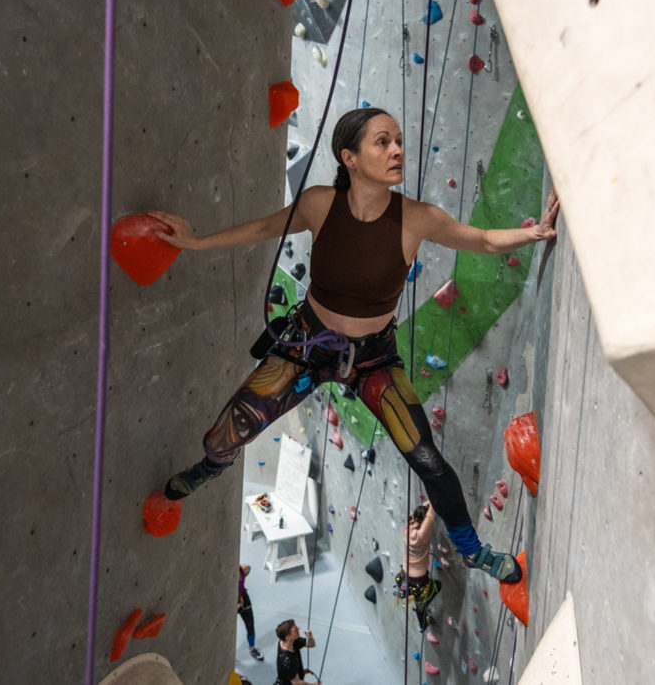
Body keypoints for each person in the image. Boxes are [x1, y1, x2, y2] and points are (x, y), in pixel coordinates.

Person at [153, 107, 559, 583]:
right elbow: (266, 228)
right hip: (306, 344)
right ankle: (212, 465)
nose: (397, 150)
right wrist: (196, 243)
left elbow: (483, 240)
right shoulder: (320, 204)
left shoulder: (418, 218)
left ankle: (473, 551)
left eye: (399, 141)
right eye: (383, 142)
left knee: (428, 458)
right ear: (349, 157)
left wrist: (531, 233)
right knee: (230, 427)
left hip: (372, 359)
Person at [395, 503, 440, 630]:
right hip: (418, 578)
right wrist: (432, 500)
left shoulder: (407, 529)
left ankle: (423, 623)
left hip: (405, 574)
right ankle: (422, 606)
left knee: (418, 598)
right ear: (424, 521)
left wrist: (425, 504)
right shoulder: (421, 535)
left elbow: (417, 514)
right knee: (436, 587)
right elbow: (432, 513)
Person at [275, 619, 319, 685]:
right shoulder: (288, 659)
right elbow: (296, 683)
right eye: (295, 630)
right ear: (288, 637)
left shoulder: (288, 641)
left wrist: (310, 637)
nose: (299, 628)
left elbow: (311, 644)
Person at [238, 564, 263, 661]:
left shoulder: (243, 569)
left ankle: (252, 649)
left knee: (250, 625)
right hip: (231, 601)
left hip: (243, 599)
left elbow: (248, 568)